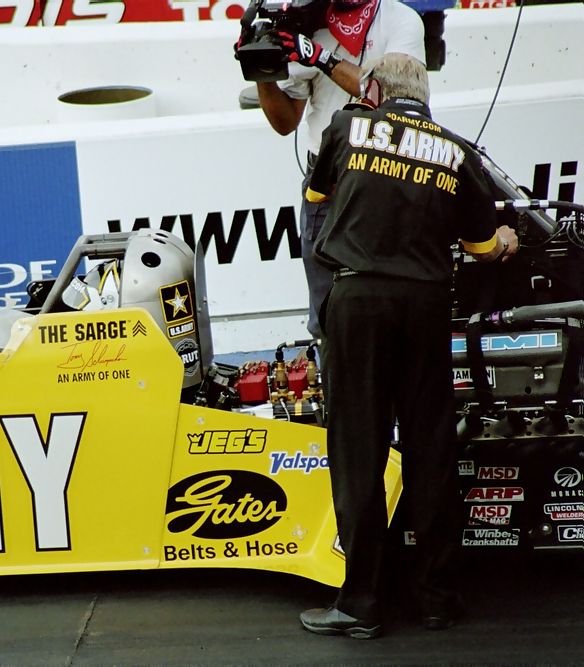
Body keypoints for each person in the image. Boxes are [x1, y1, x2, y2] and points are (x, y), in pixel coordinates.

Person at [298, 53, 519, 638]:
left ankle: (361, 604)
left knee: (359, 451)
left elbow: (317, 199)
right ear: (424, 96)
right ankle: (437, 599)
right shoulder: (457, 152)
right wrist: (506, 239)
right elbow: (482, 248)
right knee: (431, 448)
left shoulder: (346, 126)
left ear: (373, 89)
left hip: (357, 301)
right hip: (424, 304)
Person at [255, 0, 425, 338]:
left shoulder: (400, 19)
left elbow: (392, 95)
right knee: (326, 305)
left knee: (393, 293)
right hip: (327, 178)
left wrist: (321, 57)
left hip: (388, 171)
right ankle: (332, 366)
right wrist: (262, 69)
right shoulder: (307, 22)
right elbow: (285, 123)